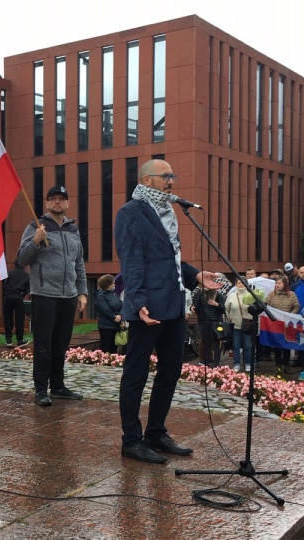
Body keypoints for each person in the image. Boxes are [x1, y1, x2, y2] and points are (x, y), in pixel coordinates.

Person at [114, 159, 221, 464]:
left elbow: (170, 262)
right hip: (147, 308)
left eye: (173, 175)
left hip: (173, 306)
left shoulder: (169, 213)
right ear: (146, 181)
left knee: (171, 370)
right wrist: (136, 301)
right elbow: (131, 261)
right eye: (165, 176)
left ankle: (156, 433)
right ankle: (132, 441)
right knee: (135, 375)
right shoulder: (131, 213)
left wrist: (196, 275)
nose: (171, 180)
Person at [18, 185, 88, 407]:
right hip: (44, 295)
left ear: (67, 203)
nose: (58, 202)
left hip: (68, 296)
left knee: (61, 345)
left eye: (62, 199)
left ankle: (58, 386)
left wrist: (82, 292)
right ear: (47, 203)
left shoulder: (73, 230)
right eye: (53, 199)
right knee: (44, 345)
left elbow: (79, 263)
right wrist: (36, 240)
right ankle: (41, 389)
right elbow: (21, 259)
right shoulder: (35, 226)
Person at [265, 276, 300, 374]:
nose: (277, 285)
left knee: (286, 344)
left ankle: (286, 364)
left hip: (287, 323)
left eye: (279, 283)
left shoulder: (291, 295)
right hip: (275, 323)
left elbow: (296, 306)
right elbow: (266, 305)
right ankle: (278, 365)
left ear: (285, 284)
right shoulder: (272, 295)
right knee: (277, 344)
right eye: (276, 283)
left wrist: (291, 315)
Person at [225, 278, 255, 372]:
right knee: (236, 345)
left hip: (247, 324)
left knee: (247, 345)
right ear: (236, 284)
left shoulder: (251, 295)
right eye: (238, 282)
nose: (241, 284)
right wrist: (228, 317)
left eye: (243, 282)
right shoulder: (231, 296)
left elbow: (255, 310)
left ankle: (248, 363)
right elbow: (226, 308)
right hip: (235, 325)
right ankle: (237, 363)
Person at [191, 287, 225, 366]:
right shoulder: (199, 294)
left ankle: (216, 363)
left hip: (216, 322)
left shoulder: (218, 294)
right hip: (203, 321)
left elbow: (223, 309)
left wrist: (216, 304)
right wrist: (192, 308)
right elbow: (196, 305)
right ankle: (206, 362)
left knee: (216, 343)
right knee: (206, 343)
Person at [2, 262, 30, 347]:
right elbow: (26, 289)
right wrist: (21, 296)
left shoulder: (10, 273)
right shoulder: (26, 275)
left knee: (8, 318)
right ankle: (20, 340)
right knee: (19, 319)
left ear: (15, 264)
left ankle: (9, 339)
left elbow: (5, 285)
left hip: (8, 297)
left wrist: (7, 294)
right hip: (18, 298)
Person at [95, 274, 123, 354]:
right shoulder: (100, 296)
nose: (114, 284)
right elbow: (105, 310)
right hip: (106, 326)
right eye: (113, 283)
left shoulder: (113, 293)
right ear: (108, 284)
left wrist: (120, 315)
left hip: (116, 325)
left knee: (114, 347)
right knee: (105, 347)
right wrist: (115, 317)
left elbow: (121, 304)